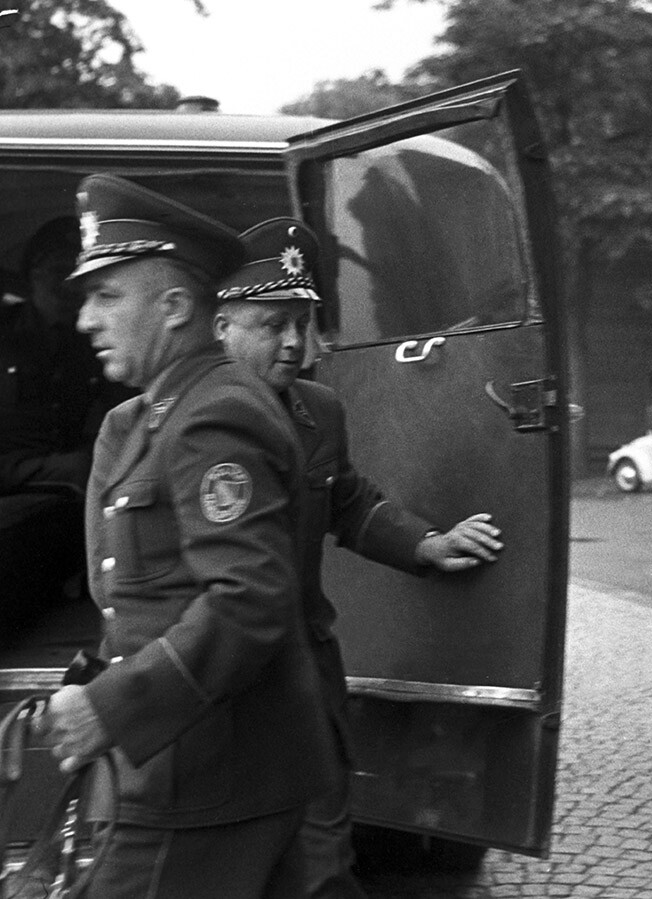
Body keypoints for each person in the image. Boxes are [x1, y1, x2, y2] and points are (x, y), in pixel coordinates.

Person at [36, 174, 335, 898]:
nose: (85, 319)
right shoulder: (151, 416)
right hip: (191, 770)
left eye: (107, 295)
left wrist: (113, 708)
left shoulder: (214, 414)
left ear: (174, 307)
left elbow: (247, 600)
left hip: (201, 785)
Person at [213, 217, 505, 898]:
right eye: (271, 322)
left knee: (321, 864)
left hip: (303, 681)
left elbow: (347, 499)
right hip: (218, 687)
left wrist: (426, 542)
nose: (294, 342)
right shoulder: (178, 422)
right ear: (219, 325)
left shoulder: (318, 411)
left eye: (304, 321)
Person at [0, 217, 126, 620]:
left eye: (76, 276)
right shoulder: (5, 338)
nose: (67, 286)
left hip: (74, 500)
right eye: (57, 272)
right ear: (31, 275)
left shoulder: (100, 346)